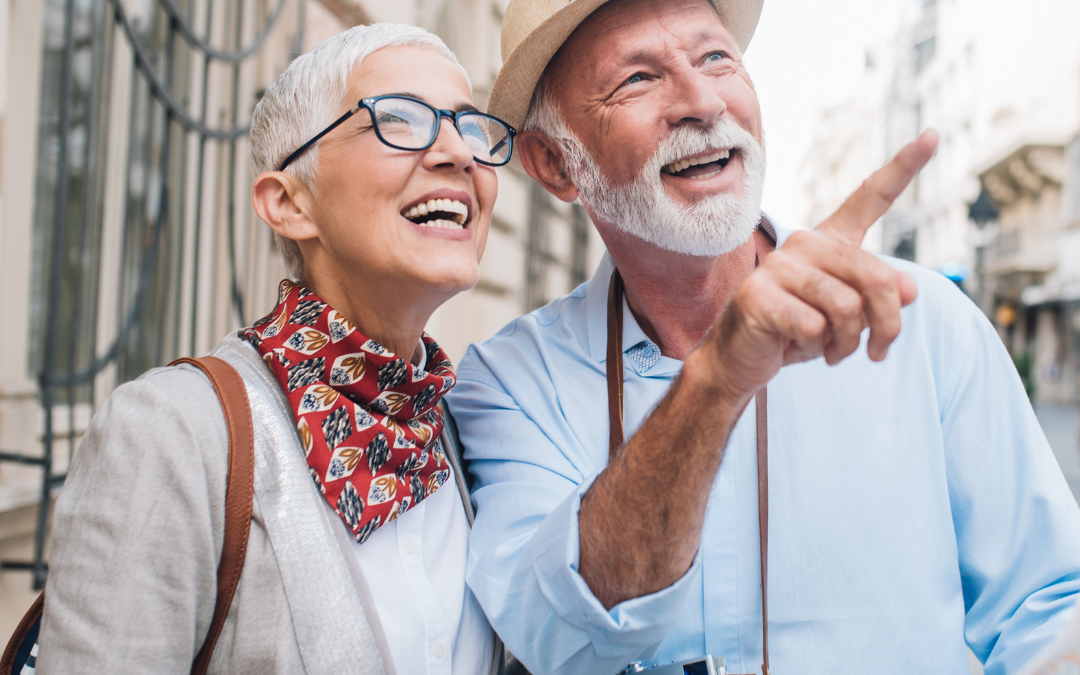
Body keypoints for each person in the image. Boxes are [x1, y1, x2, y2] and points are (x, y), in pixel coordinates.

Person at [446, 1, 1080, 674]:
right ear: (555, 164)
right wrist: (716, 380)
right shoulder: (513, 380)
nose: (701, 101)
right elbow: (556, 636)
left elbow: (1047, 606)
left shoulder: (923, 321)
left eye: (716, 57)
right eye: (637, 78)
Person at [36, 23, 515, 674]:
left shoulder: (471, 435)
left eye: (470, 126)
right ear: (289, 204)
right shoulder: (170, 434)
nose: (458, 152)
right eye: (399, 120)